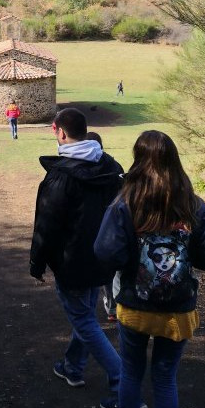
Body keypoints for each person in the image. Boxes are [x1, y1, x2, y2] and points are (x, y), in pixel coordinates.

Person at [95, 130, 205, 408]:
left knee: (130, 373)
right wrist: (185, 252)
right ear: (175, 160)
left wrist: (132, 258)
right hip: (177, 311)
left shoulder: (126, 203)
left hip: (135, 307)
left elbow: (104, 251)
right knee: (165, 377)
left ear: (137, 159)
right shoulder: (191, 205)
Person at [29, 107, 128, 408]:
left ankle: (122, 383)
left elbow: (47, 224)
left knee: (84, 319)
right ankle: (73, 366)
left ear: (60, 132)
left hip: (73, 263)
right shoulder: (112, 168)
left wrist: (37, 263)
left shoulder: (61, 176)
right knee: (84, 314)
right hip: (103, 258)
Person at [85, 131, 117, 323]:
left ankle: (91, 309)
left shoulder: (79, 169)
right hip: (110, 227)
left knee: (92, 269)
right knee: (108, 270)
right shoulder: (114, 166)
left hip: (91, 228)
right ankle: (112, 308)